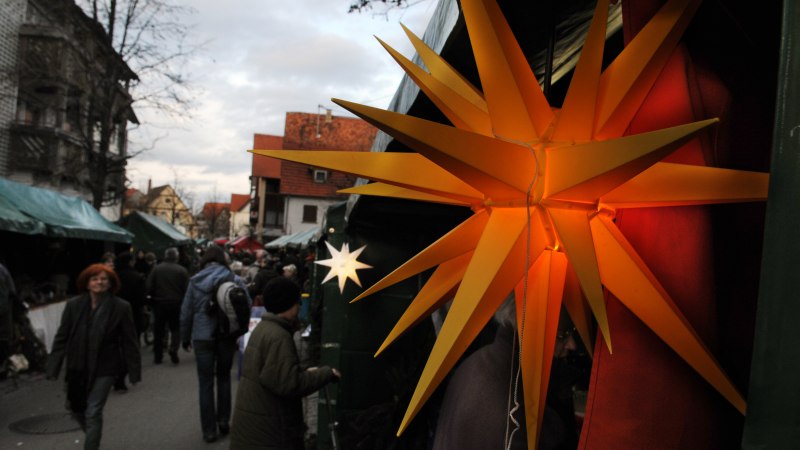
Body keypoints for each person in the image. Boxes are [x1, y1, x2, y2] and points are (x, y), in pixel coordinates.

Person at [432, 299, 583, 450]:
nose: (572, 344)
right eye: (563, 334)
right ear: (534, 328)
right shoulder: (523, 419)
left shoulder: (472, 364)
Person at [230, 277, 340, 449]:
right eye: (297, 302)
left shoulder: (264, 328)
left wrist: (304, 371)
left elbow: (275, 371)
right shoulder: (278, 336)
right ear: (286, 304)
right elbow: (289, 384)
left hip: (257, 427)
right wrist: (326, 373)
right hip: (271, 433)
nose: (299, 307)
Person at [46, 264, 141, 450]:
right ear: (87, 283)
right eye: (95, 279)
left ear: (111, 283)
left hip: (106, 366)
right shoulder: (74, 305)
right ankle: (92, 433)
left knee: (93, 411)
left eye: (104, 279)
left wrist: (134, 371)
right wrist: (53, 367)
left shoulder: (121, 307)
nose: (99, 282)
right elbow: (62, 336)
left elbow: (130, 341)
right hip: (77, 365)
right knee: (76, 410)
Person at [180, 245, 251, 443]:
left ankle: (209, 431)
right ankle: (223, 422)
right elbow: (247, 303)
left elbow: (186, 312)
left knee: (205, 383)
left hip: (202, 337)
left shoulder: (195, 281)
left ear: (204, 261)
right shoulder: (234, 279)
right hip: (226, 335)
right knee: (223, 378)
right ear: (223, 260)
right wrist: (239, 328)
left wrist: (185, 338)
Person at [146, 247, 189, 364]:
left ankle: (158, 355)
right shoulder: (182, 270)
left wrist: (151, 298)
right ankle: (174, 348)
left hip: (159, 303)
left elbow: (149, 286)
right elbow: (186, 290)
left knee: (159, 329)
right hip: (176, 303)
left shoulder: (156, 269)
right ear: (176, 257)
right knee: (175, 328)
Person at [114, 251, 147, 391]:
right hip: (133, 315)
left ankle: (115, 374)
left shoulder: (113, 276)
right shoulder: (136, 277)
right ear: (131, 262)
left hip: (113, 317)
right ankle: (122, 375)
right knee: (131, 347)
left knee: (115, 346)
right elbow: (142, 299)